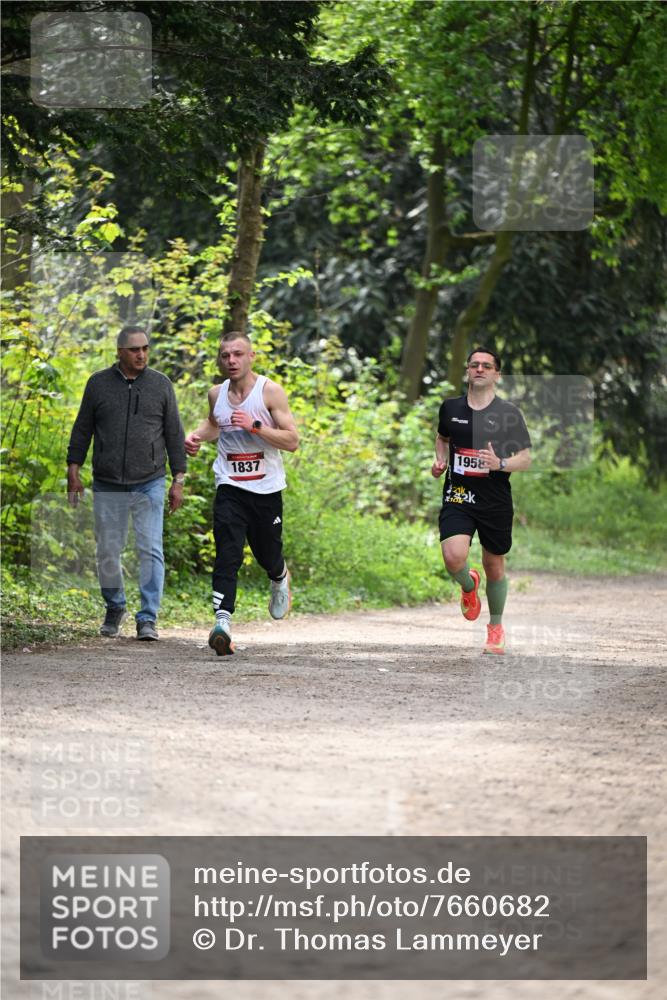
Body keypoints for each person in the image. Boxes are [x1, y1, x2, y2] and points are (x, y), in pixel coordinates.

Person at [67, 326, 186, 641]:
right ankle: (114, 606)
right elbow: (82, 429)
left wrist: (179, 479)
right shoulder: (98, 384)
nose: (141, 354)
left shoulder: (161, 385)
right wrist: (73, 469)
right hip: (107, 482)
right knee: (108, 549)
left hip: (150, 480)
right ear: (119, 351)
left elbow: (174, 434)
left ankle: (148, 618)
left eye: (145, 348)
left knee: (150, 549)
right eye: (134, 349)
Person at [185, 332, 299, 656]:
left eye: (238, 354)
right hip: (230, 485)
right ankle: (223, 623)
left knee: (267, 552)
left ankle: (279, 576)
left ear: (251, 357)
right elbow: (214, 424)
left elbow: (292, 441)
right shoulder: (215, 393)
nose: (231, 361)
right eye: (225, 355)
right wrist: (196, 437)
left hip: (266, 489)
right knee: (227, 552)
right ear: (219, 359)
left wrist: (256, 427)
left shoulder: (270, 392)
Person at [431, 347, 532, 654]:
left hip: (495, 499)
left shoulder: (509, 414)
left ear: (496, 375)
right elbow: (443, 438)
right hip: (459, 494)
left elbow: (525, 459)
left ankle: (495, 627)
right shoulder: (450, 408)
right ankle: (468, 585)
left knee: (494, 564)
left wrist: (499, 463)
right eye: (474, 364)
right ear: (467, 371)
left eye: (486, 366)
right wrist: (440, 461)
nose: (479, 369)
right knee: (453, 557)